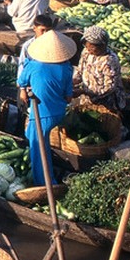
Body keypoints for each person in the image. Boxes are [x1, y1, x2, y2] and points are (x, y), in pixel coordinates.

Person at [17, 30, 75, 186]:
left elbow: (21, 81)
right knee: (33, 136)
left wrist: (24, 90)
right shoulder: (67, 68)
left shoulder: (33, 65)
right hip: (58, 113)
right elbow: (69, 97)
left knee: (38, 148)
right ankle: (45, 171)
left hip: (41, 113)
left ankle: (45, 183)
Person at [73, 26, 126, 112]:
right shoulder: (86, 52)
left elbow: (109, 88)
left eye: (92, 47)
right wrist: (73, 82)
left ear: (102, 46)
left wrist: (84, 91)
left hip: (106, 102)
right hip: (87, 99)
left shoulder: (109, 60)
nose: (88, 49)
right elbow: (80, 70)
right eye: (87, 45)